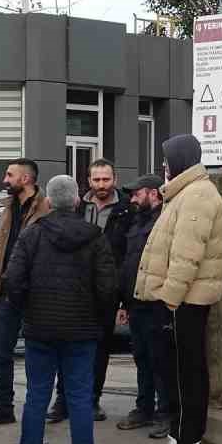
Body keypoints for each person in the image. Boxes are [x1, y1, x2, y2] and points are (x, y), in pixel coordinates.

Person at [5, 175, 117, 444]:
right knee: (80, 399)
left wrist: (28, 309)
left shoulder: (32, 235)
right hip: (82, 330)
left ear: (49, 202)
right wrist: (97, 317)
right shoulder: (95, 237)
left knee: (36, 397)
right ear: (78, 201)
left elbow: (13, 280)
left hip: (40, 329)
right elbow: (108, 287)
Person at [137, 135, 222, 444]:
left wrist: (169, 301)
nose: (163, 168)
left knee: (184, 374)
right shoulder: (184, 194)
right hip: (181, 300)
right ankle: (181, 439)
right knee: (180, 371)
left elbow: (186, 257)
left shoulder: (197, 195)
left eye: (166, 161)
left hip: (184, 302)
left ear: (180, 160)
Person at [47, 159, 131, 424]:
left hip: (107, 289)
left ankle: (91, 399)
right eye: (96, 180)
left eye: (106, 179)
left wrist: (122, 297)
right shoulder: (77, 207)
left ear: (114, 179)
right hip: (75, 288)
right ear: (88, 180)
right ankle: (62, 400)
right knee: (66, 345)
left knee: (99, 349)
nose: (101, 185)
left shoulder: (127, 210)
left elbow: (128, 253)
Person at [0, 158, 52, 427]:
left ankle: (39, 406)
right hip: (7, 290)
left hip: (35, 292)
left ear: (26, 179)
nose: (4, 180)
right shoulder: (8, 207)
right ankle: (3, 406)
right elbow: (1, 252)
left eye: (10, 175)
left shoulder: (46, 208)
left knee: (37, 353)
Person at [114, 175, 168, 437]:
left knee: (160, 360)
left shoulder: (164, 221)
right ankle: (144, 408)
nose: (133, 199)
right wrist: (124, 302)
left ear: (153, 193)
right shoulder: (138, 222)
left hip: (156, 302)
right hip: (135, 302)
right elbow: (129, 264)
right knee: (142, 358)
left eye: (137, 194)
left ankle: (164, 413)